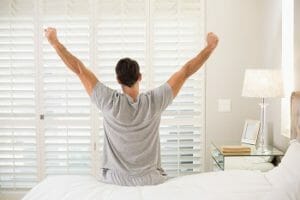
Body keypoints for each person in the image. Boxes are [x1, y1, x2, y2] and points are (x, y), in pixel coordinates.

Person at [44, 27, 219, 186]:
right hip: (150, 179)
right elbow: (186, 71)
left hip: (115, 179)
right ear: (140, 77)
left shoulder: (108, 101)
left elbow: (79, 69)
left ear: (118, 80)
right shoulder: (155, 100)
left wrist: (54, 42)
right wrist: (210, 47)